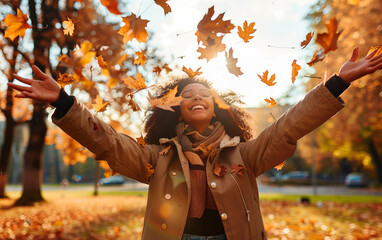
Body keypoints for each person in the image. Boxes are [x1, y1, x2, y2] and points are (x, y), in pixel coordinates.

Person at [8, 48, 382, 240]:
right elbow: (109, 143)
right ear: (178, 110)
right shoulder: (158, 157)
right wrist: (64, 103)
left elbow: (288, 125)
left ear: (217, 108)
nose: (196, 96)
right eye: (188, 95)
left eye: (204, 92)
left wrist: (336, 83)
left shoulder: (245, 155)